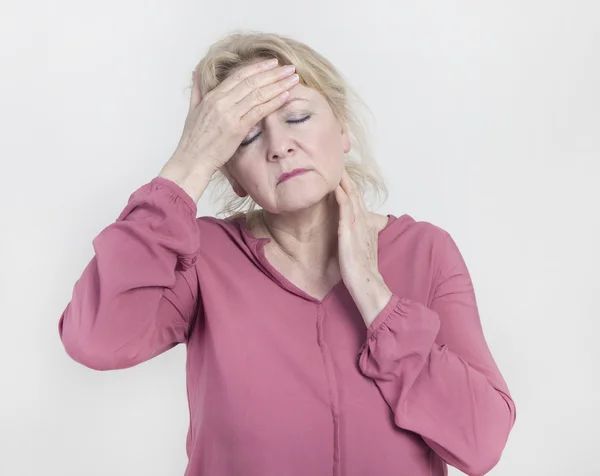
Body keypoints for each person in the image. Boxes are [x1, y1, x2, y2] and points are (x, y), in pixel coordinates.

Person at [58, 32, 516, 476]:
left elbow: (481, 442)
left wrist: (375, 296)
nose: (279, 147)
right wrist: (189, 162)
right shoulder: (202, 258)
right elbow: (95, 338)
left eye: (296, 118)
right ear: (233, 176)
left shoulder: (425, 251)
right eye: (246, 138)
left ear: (342, 131)